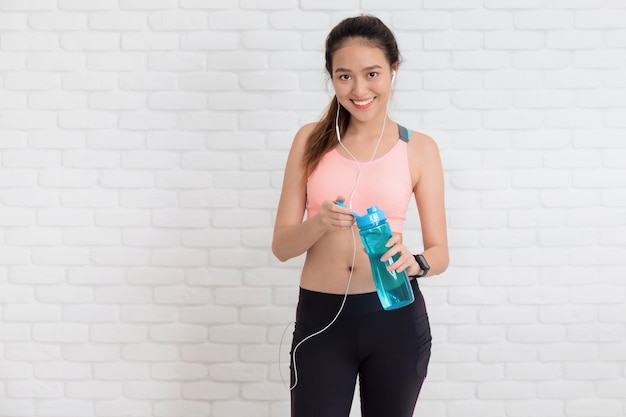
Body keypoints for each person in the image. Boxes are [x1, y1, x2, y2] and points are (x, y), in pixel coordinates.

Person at [272, 14, 449, 417]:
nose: (360, 89)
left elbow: (440, 252)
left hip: (395, 321)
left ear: (393, 70)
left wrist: (416, 262)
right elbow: (281, 247)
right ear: (331, 78)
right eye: (344, 76)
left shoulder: (418, 149)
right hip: (321, 321)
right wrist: (319, 223)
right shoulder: (308, 140)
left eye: (372, 73)